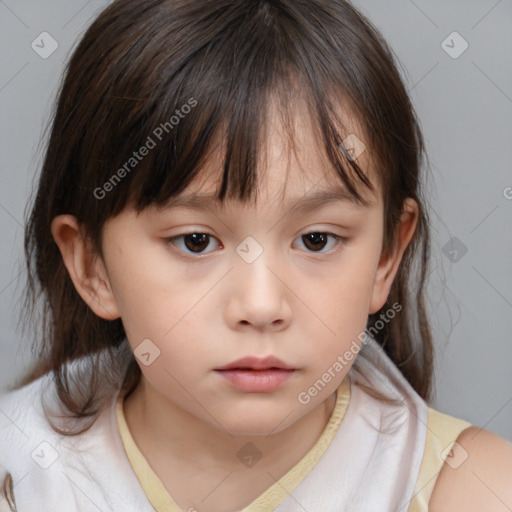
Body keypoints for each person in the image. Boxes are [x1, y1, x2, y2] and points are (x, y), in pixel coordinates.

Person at [1, 0, 511, 511]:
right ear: (92, 265)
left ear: (386, 255)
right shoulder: (19, 475)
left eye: (316, 239)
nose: (262, 305)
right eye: (196, 241)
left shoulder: (473, 491)